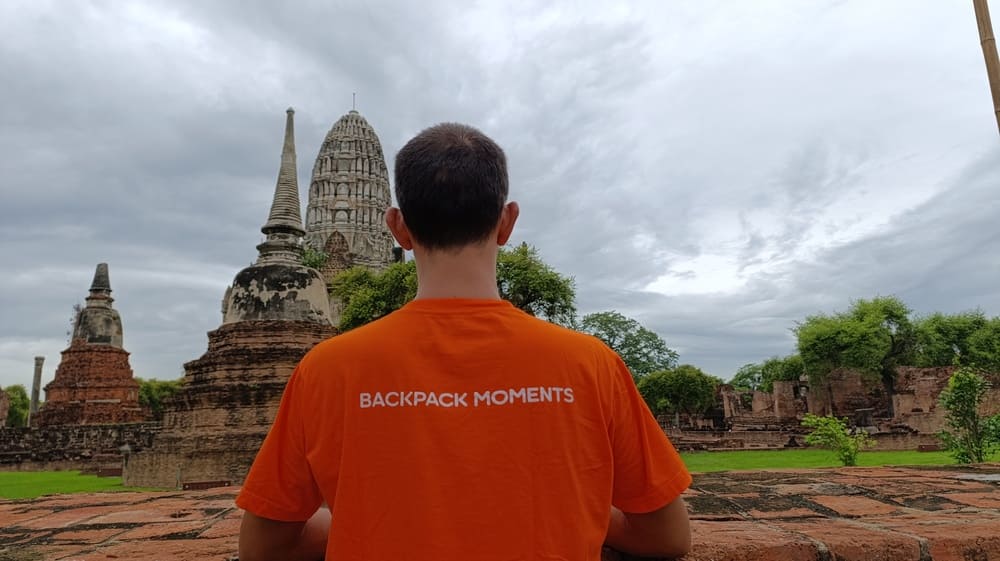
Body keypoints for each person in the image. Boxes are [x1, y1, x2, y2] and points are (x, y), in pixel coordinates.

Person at [236, 123, 692, 560]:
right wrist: (581, 511)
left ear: (398, 228)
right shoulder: (590, 363)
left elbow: (264, 546)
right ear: (507, 222)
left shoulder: (327, 368)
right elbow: (667, 534)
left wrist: (368, 519)